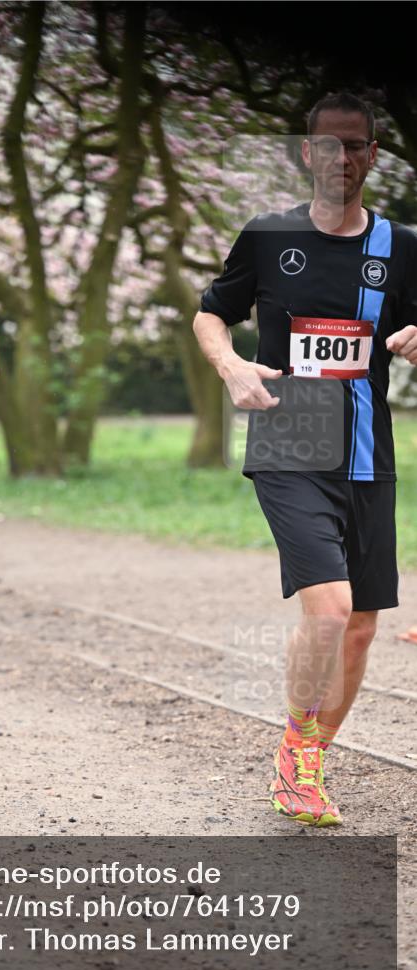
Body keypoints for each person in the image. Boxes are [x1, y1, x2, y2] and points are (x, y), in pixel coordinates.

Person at [193, 93, 417, 826]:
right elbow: (210, 312)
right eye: (328, 146)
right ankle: (297, 754)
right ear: (305, 152)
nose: (341, 160)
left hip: (364, 446)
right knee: (329, 611)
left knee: (360, 626)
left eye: (355, 147)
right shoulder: (266, 236)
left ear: (371, 156)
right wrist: (230, 366)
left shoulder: (400, 245)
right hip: (289, 439)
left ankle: (308, 761)